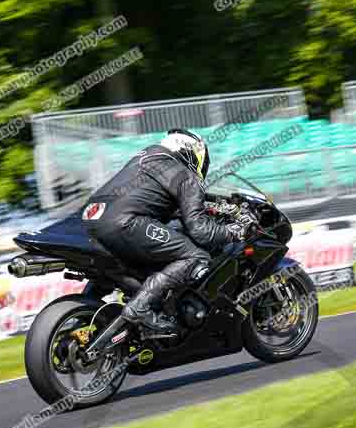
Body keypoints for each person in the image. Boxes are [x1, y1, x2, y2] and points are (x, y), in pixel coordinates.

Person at [81, 128, 248, 335]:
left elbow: (155, 203)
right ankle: (140, 308)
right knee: (195, 256)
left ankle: (82, 314)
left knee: (122, 266)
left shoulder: (146, 157)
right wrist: (234, 232)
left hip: (90, 219)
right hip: (124, 222)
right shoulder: (184, 174)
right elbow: (200, 231)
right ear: (192, 153)